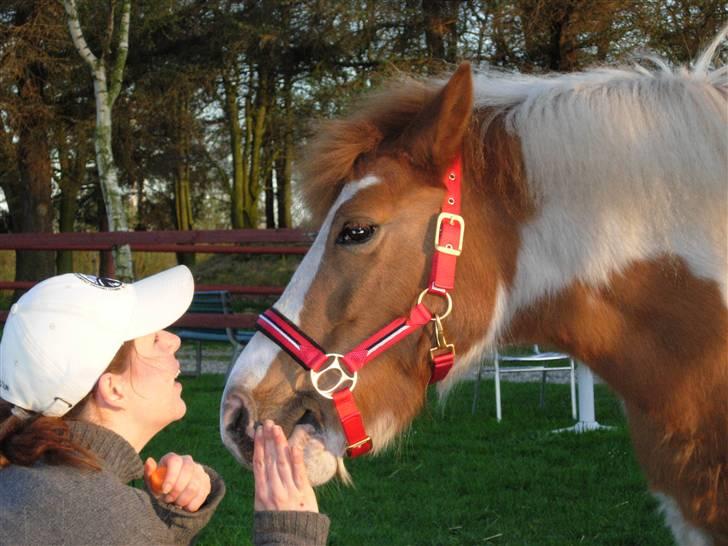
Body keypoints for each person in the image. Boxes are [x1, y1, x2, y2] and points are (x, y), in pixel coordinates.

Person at [0, 266, 329, 545]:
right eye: (152, 339)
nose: (173, 340)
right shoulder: (106, 519)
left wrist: (164, 519)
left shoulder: (28, 483)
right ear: (112, 389)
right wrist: (289, 534)